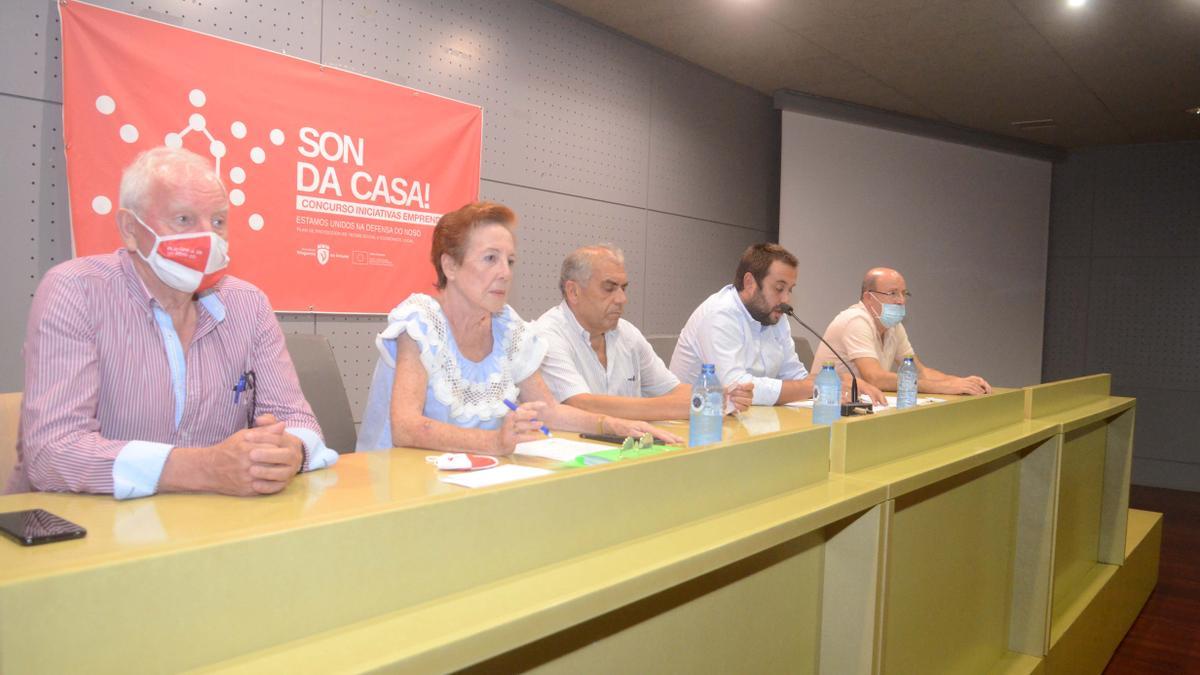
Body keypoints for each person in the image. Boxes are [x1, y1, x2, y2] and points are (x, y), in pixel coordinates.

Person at [9, 147, 336, 499]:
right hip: (81, 530)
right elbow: (52, 453)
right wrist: (204, 468)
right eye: (183, 219)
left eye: (218, 221)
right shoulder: (77, 291)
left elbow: (301, 424)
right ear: (130, 228)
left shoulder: (249, 304)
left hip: (205, 526)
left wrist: (290, 452)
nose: (207, 237)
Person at [357, 203, 682, 453]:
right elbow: (407, 427)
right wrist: (495, 442)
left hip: (470, 483)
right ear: (450, 265)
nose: (504, 273)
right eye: (490, 259)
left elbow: (549, 412)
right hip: (399, 487)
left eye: (509, 261)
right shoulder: (419, 322)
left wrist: (613, 425)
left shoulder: (507, 327)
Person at [536, 245, 753, 420]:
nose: (622, 299)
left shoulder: (627, 333)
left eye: (624, 288)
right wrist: (684, 406)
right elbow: (582, 405)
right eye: (609, 288)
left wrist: (719, 397)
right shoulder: (546, 335)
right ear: (573, 291)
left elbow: (671, 390)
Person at [670, 243, 885, 407]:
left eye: (790, 290)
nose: (786, 299)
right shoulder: (719, 314)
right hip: (695, 424)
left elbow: (795, 376)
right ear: (750, 283)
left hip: (747, 420)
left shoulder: (775, 315)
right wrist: (812, 386)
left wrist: (836, 382)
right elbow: (736, 386)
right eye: (779, 288)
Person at [812, 267, 992, 396]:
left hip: (861, 405)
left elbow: (920, 372)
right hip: (827, 406)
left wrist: (958, 382)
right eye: (893, 293)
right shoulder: (855, 320)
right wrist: (943, 388)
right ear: (868, 298)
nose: (901, 301)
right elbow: (875, 378)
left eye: (903, 294)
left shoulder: (893, 326)